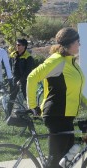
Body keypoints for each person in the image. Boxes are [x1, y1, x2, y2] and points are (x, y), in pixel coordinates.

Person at [27, 27, 86, 168]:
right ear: (70, 43)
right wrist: (33, 105)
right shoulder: (57, 60)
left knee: (66, 161)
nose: (80, 44)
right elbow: (32, 77)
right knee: (56, 162)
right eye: (78, 41)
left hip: (67, 116)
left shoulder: (69, 61)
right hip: (56, 114)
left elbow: (75, 91)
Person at [7, 38, 34, 115]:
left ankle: (35, 114)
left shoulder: (28, 57)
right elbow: (8, 68)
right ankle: (8, 114)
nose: (17, 46)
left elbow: (28, 71)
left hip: (25, 80)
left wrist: (21, 80)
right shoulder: (13, 55)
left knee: (28, 98)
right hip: (14, 79)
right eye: (16, 44)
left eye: (19, 45)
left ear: (24, 46)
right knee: (11, 97)